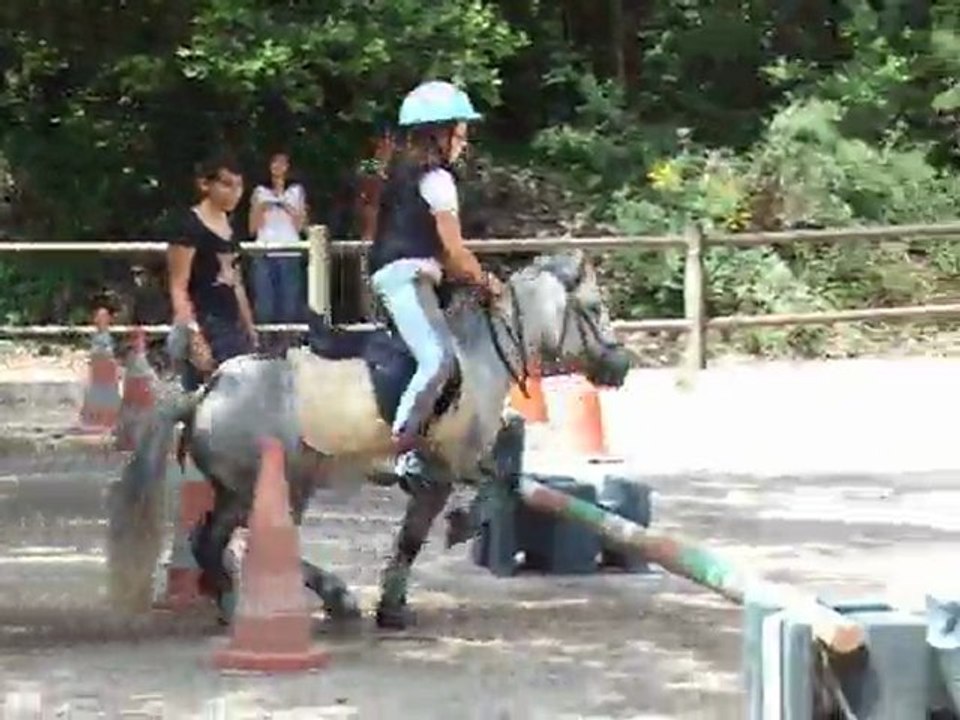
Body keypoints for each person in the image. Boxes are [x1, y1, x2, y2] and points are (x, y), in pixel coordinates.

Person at [368, 80, 504, 481]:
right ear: (439, 133)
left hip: (408, 273)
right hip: (406, 277)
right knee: (437, 358)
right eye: (460, 131)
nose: (464, 140)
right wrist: (487, 282)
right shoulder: (437, 180)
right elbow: (455, 252)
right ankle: (401, 450)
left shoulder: (404, 172)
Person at [168, 150, 258, 390]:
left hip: (230, 322)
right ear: (205, 185)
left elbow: (236, 281)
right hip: (204, 319)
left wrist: (249, 327)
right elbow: (178, 286)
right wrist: (194, 335)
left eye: (239, 186)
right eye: (227, 185)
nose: (235, 193)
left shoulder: (230, 225)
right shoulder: (189, 226)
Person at [247, 150, 308, 325]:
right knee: (264, 303)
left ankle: (288, 343)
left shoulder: (296, 191)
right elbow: (251, 228)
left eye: (283, 163)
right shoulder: (259, 191)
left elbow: (302, 226)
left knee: (290, 302)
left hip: (290, 250)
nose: (278, 167)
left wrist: (287, 208)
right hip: (264, 250)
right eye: (275, 162)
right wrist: (262, 208)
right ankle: (266, 343)